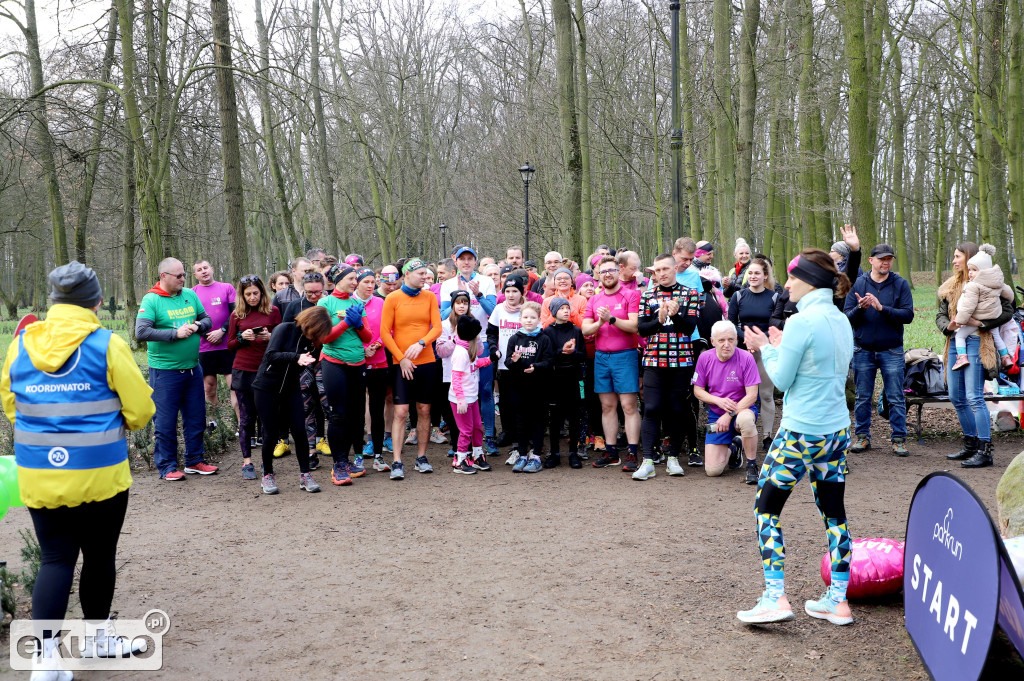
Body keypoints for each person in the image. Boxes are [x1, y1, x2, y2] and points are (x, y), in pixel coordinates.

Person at [1, 261, 155, 678]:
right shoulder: (106, 343)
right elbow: (140, 410)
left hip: (39, 472)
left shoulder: (20, 345)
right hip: (100, 475)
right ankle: (99, 641)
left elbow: (12, 406)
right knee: (99, 555)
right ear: (98, 303)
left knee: (55, 559)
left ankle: (45, 662)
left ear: (52, 302)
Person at [738, 248, 855, 627]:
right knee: (834, 516)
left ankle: (775, 597)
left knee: (766, 510)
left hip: (801, 432)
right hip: (836, 432)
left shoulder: (804, 321)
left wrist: (765, 348)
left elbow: (784, 381)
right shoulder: (840, 319)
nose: (785, 283)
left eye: (792, 277)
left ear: (810, 280)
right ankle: (838, 602)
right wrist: (780, 345)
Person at [135, 257, 219, 480]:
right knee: (165, 423)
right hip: (165, 372)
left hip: (193, 369)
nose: (184, 279)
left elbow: (207, 319)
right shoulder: (152, 300)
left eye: (184, 275)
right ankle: (167, 466)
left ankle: (195, 461)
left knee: (195, 418)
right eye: (179, 276)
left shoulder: (190, 295)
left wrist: (198, 325)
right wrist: (175, 334)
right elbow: (141, 332)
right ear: (164, 276)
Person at [937, 242, 1016, 467]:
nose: (953, 261)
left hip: (977, 343)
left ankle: (985, 449)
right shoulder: (950, 286)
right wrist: (948, 327)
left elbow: (1009, 310)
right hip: (955, 342)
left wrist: (981, 323)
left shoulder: (990, 282)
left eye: (957, 256)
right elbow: (941, 314)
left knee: (974, 397)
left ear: (970, 259)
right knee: (956, 396)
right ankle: (970, 444)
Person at [632, 253, 701, 480]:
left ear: (674, 269)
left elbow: (689, 328)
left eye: (665, 269)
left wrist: (676, 314)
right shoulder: (648, 295)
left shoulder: (690, 293)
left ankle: (673, 458)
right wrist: (659, 320)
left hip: (681, 360)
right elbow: (642, 329)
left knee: (676, 409)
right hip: (653, 360)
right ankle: (648, 460)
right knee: (651, 408)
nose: (661, 274)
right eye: (657, 270)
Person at [844, 243, 914, 456]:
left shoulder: (900, 284)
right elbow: (846, 317)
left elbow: (908, 315)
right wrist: (860, 308)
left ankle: (899, 439)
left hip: (891, 350)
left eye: (889, 259)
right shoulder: (858, 283)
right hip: (862, 350)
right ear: (871, 261)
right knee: (863, 397)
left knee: (895, 396)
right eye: (881, 259)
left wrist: (882, 308)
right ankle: (863, 437)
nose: (885, 262)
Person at [252, 306, 326, 495]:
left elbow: (312, 358)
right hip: (266, 387)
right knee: (270, 433)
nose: (316, 337)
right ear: (309, 323)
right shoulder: (284, 328)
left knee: (300, 430)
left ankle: (305, 475)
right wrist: (296, 357)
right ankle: (267, 475)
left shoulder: (312, 341)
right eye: (316, 331)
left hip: (291, 388)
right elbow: (271, 355)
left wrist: (310, 359)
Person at [380, 258, 443, 479]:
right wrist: (401, 358)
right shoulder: (393, 298)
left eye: (427, 274)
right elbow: (385, 332)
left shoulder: (430, 297)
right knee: (401, 411)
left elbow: (437, 327)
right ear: (406, 275)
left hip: (427, 361)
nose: (425, 277)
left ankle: (421, 457)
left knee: (424, 410)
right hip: (401, 364)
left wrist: (421, 343)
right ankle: (397, 460)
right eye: (421, 274)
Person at [582, 255, 641, 470]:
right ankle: (612, 451)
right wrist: (600, 321)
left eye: (611, 270)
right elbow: (585, 330)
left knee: (628, 405)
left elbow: (634, 326)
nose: (607, 274)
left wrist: (612, 320)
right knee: (607, 406)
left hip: (625, 355)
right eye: (603, 271)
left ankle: (633, 453)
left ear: (619, 271)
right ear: (598, 275)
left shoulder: (631, 295)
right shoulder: (594, 300)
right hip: (601, 357)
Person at [439, 246, 499, 453]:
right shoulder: (447, 284)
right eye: (462, 259)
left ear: (475, 262)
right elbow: (442, 315)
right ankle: (460, 440)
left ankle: (488, 436)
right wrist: (458, 298)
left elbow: (494, 311)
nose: (466, 262)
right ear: (455, 262)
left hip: (480, 341)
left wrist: (478, 294)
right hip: (457, 343)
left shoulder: (486, 281)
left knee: (485, 390)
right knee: (459, 391)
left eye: (470, 259)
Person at [318, 266, 372, 484]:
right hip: (334, 362)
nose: (355, 282)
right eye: (351, 278)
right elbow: (325, 337)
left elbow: (367, 337)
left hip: (357, 362)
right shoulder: (325, 303)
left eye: (355, 279)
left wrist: (358, 324)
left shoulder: (357, 304)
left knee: (355, 415)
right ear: (338, 279)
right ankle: (338, 464)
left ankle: (347, 460)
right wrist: (346, 323)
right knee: (338, 414)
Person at [692, 321, 761, 483]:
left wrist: (729, 415)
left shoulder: (746, 358)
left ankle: (752, 464)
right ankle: (735, 447)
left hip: (743, 409)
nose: (726, 345)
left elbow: (751, 396)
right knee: (713, 470)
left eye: (731, 340)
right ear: (712, 341)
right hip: (717, 415)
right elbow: (698, 391)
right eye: (721, 340)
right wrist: (717, 400)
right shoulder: (704, 358)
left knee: (745, 420)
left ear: (737, 340)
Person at [227, 274, 281, 479]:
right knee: (246, 417)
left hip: (266, 370)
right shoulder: (236, 315)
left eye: (255, 293)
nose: (252, 298)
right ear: (242, 295)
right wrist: (242, 337)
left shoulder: (273, 312)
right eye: (248, 294)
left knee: (267, 418)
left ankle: (266, 461)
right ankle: (247, 462)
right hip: (243, 370)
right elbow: (230, 344)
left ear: (262, 292)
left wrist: (270, 337)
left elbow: (283, 339)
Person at [728, 257, 779, 451]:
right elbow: (731, 322)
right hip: (742, 351)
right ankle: (740, 433)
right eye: (750, 273)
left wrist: (759, 342)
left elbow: (776, 323)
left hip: (766, 350)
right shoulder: (739, 296)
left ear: (765, 275)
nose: (753, 276)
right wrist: (747, 339)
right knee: (740, 394)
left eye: (757, 273)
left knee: (766, 394)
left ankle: (767, 435)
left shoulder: (773, 297)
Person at [281, 272, 331, 468]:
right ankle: (310, 452)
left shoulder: (330, 303)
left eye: (318, 292)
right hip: (303, 362)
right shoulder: (295, 306)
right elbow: (285, 332)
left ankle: (338, 450)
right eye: (309, 292)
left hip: (327, 360)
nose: (314, 296)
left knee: (329, 405)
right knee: (306, 407)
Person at [950, 244, 1016, 371]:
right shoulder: (998, 283)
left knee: (959, 336)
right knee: (996, 336)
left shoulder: (973, 286)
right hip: (994, 317)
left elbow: (968, 306)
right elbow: (1010, 295)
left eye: (974, 270)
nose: (970, 273)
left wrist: (960, 321)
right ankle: (1005, 357)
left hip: (977, 318)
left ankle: (962, 357)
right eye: (969, 270)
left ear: (983, 271)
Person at [505, 301, 554, 473]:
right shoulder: (514, 338)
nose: (529, 320)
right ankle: (522, 455)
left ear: (538, 319)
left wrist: (536, 367)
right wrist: (515, 361)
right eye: (525, 317)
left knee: (537, 422)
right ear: (520, 319)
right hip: (518, 387)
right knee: (521, 422)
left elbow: (549, 361)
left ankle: (536, 457)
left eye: (532, 318)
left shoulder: (544, 338)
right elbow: (507, 362)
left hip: (538, 388)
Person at [192, 260, 237, 430]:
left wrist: (222, 331)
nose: (203, 271)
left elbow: (235, 313)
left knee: (235, 386)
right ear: (195, 275)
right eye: (199, 270)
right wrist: (208, 335)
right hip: (205, 347)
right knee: (209, 388)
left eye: (205, 268)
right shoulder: (192, 293)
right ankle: (213, 424)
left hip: (228, 346)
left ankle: (243, 425)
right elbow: (191, 318)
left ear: (212, 269)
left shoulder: (227, 288)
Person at [352, 268, 390, 472]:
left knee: (377, 409)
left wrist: (378, 344)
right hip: (355, 363)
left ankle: (378, 455)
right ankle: (358, 454)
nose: (370, 285)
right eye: (365, 281)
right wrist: (362, 350)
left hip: (379, 361)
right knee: (357, 409)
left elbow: (388, 329)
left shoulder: (380, 303)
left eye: (372, 282)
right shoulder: (349, 303)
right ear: (356, 283)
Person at [543, 296, 587, 468]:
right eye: (561, 308)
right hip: (555, 379)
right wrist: (562, 351)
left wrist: (573, 352)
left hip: (574, 378)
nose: (566, 311)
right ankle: (554, 453)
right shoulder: (548, 331)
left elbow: (583, 355)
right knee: (555, 418)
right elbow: (547, 356)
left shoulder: (576, 330)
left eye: (567, 308)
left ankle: (573, 453)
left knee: (575, 416)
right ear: (554, 312)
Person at [449, 315, 493, 474]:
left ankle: (476, 455)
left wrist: (489, 359)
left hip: (472, 397)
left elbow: (474, 364)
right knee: (466, 429)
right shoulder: (461, 352)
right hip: (462, 399)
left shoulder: (468, 349)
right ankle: (460, 460)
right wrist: (460, 399)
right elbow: (456, 377)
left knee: (476, 427)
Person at [488, 275, 526, 455]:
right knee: (504, 401)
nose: (511, 295)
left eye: (515, 291)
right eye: (508, 291)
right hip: (503, 364)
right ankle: (507, 431)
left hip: (523, 364)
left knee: (521, 401)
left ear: (521, 293)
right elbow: (491, 333)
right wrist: (494, 349)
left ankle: (522, 435)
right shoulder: (498, 309)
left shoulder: (526, 310)